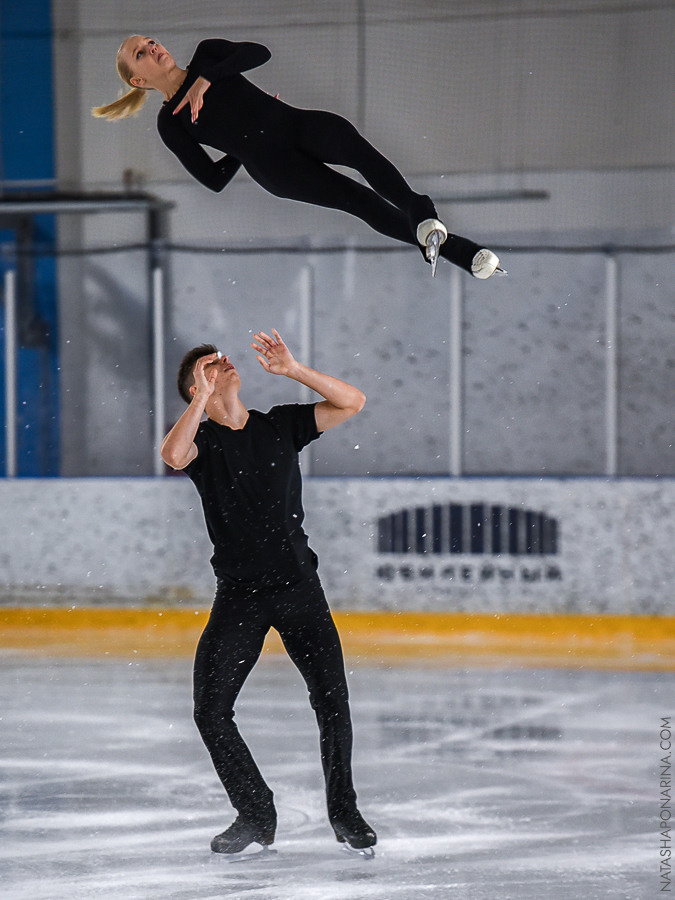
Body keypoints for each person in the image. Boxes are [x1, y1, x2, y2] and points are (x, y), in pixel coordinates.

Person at [160, 328, 376, 855]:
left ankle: (344, 813)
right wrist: (203, 402)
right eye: (210, 367)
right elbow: (172, 455)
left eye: (225, 360)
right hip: (239, 596)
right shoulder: (202, 443)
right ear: (195, 390)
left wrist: (295, 371)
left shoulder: (279, 425)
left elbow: (352, 401)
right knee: (210, 710)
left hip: (299, 587)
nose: (225, 365)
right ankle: (255, 813)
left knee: (332, 701)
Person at [93, 35, 503, 279]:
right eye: (140, 54)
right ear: (139, 80)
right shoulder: (172, 122)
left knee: (355, 147)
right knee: (360, 202)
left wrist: (206, 78)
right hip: (277, 169)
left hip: (296, 124)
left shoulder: (208, 54)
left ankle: (421, 211)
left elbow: (259, 52)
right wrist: (240, 149)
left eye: (149, 42)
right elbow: (214, 178)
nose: (152, 48)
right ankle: (465, 255)